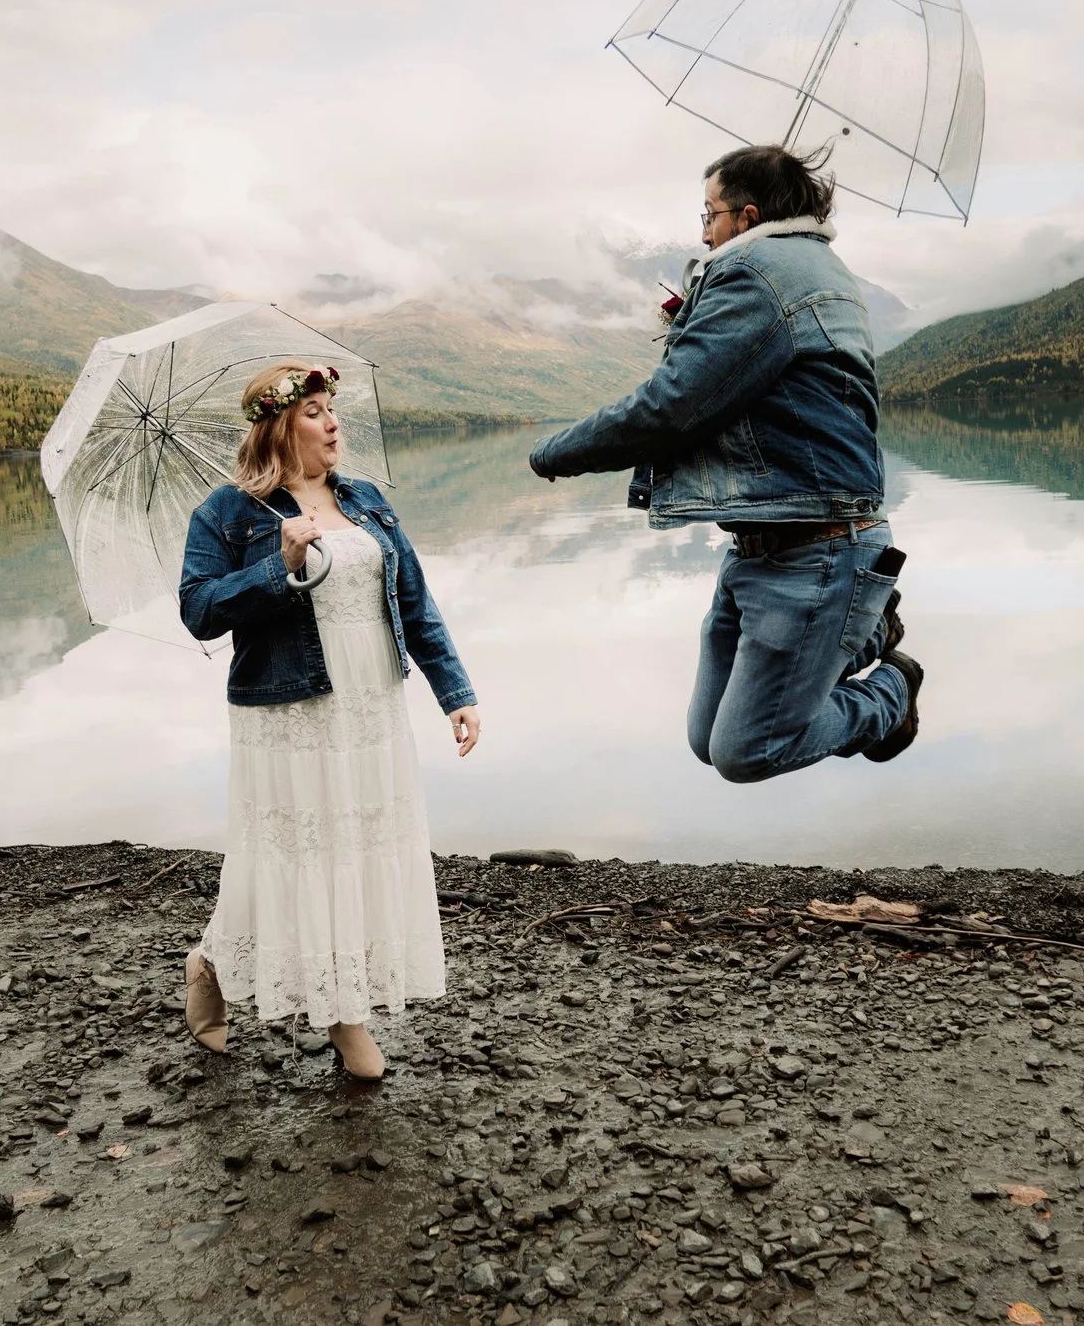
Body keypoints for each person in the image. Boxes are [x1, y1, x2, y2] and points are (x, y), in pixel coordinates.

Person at [530, 144, 921, 780]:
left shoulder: (762, 273)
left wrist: (557, 452)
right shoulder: (807, 264)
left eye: (708, 215)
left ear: (745, 215)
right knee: (706, 736)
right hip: (763, 546)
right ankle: (870, 631)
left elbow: (671, 406)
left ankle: (889, 692)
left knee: (747, 751)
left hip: (817, 549)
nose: (703, 231)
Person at [176, 359, 481, 1079]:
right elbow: (197, 610)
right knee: (298, 853)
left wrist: (455, 692)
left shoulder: (367, 500)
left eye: (332, 408)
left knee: (359, 844)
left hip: (371, 703)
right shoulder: (227, 512)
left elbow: (414, 603)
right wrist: (274, 567)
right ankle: (345, 1019)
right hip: (290, 711)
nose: (332, 421)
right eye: (314, 411)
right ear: (279, 427)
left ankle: (214, 963)